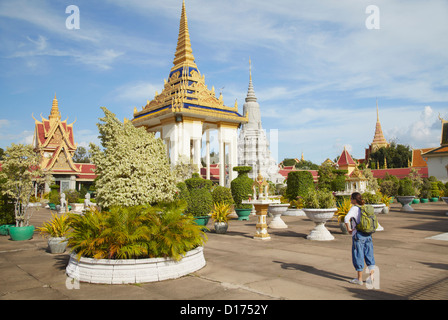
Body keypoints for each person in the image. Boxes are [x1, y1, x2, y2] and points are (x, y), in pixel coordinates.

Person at [344, 192, 376, 285]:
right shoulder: (365, 207)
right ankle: (371, 277)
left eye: (351, 199)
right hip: (368, 235)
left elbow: (346, 218)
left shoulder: (354, 208)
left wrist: (349, 229)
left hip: (358, 235)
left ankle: (360, 279)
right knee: (369, 255)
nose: (350, 200)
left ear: (354, 199)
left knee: (358, 256)